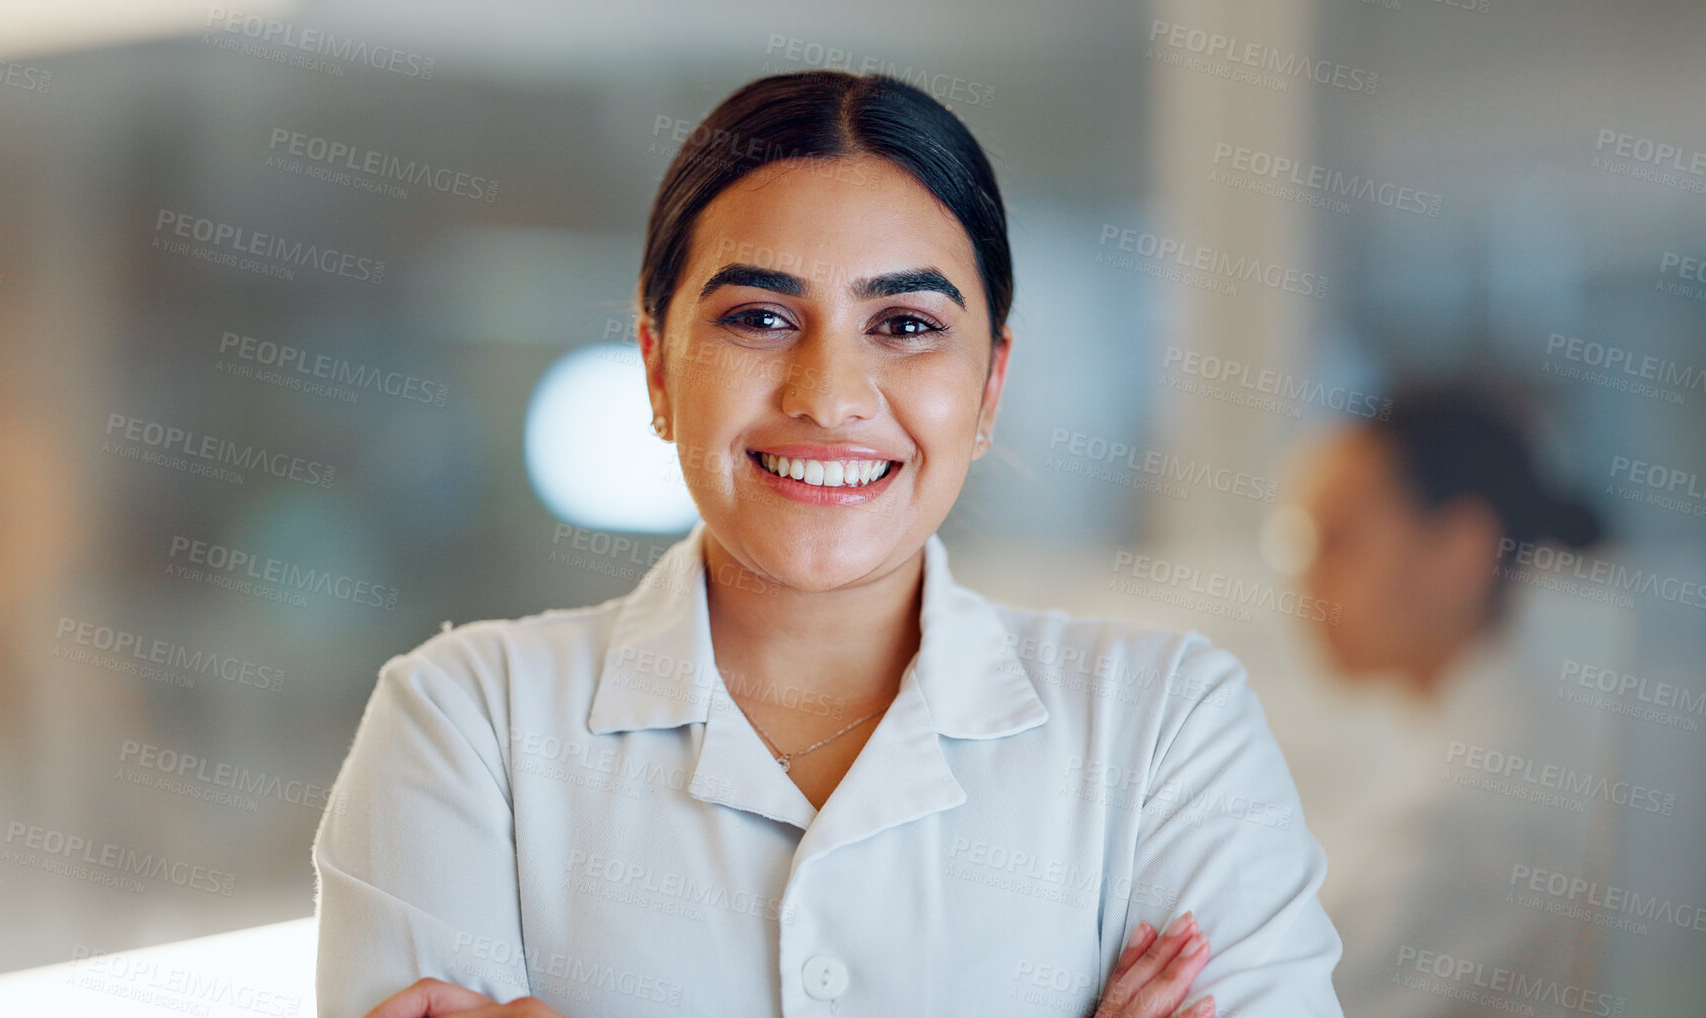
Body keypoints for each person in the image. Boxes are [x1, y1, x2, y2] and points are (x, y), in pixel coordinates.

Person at [313, 70, 1343, 1018]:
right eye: (759, 317)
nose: (829, 397)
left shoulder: (1163, 728)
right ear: (658, 371)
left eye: (903, 325)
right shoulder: (467, 724)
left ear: (988, 387)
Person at [1287, 382, 1626, 1017]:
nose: (1305, 581)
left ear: (1461, 551)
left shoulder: (1475, 810)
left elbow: (1284, 999)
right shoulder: (1491, 739)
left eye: (1337, 540)